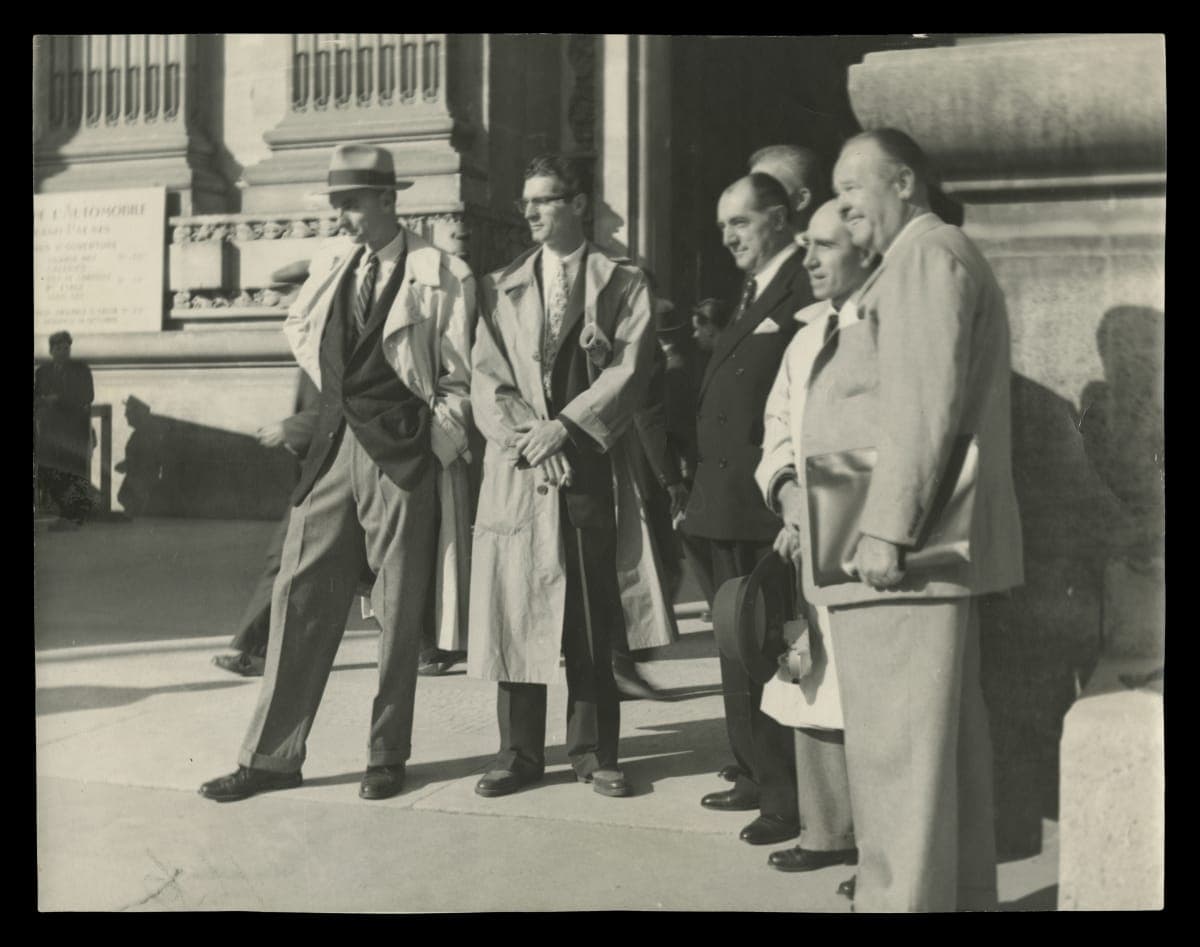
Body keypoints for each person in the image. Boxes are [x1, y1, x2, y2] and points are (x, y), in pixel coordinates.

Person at [787, 128, 1021, 911]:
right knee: (935, 754)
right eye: (838, 190)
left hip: (900, 550)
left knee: (896, 756)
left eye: (856, 186)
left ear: (906, 183)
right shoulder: (923, 257)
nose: (846, 203)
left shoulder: (923, 258)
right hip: (916, 543)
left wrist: (888, 528)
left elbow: (923, 405)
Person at [199, 143, 475, 803]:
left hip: (400, 459)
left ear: (388, 200)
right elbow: (311, 343)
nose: (343, 216)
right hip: (329, 454)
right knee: (297, 596)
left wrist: (428, 446)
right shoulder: (332, 264)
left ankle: (387, 755)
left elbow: (463, 377)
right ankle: (271, 757)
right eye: (338, 204)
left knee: (398, 613)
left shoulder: (443, 273)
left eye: (352, 203)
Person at [468, 153, 673, 799]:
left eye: (544, 199)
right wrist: (532, 439)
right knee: (517, 608)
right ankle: (517, 753)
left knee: (591, 612)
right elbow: (487, 379)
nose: (530, 211)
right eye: (526, 201)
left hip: (590, 466)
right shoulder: (499, 286)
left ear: (578, 204)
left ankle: (594, 751)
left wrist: (567, 427)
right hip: (524, 468)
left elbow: (632, 370)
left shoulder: (624, 282)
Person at [679, 171, 816, 846]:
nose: (729, 237)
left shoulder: (803, 285)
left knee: (776, 651)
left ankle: (787, 796)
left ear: (781, 218)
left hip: (765, 509)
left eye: (741, 222)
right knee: (738, 648)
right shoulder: (754, 290)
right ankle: (755, 772)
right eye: (722, 226)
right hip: (723, 505)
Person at [755, 199, 880, 875]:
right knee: (811, 673)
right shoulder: (804, 338)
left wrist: (821, 516)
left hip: (865, 539)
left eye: (825, 247)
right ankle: (827, 830)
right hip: (807, 532)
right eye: (806, 247)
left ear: (866, 250)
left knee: (869, 693)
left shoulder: (886, 326)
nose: (808, 260)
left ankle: (882, 851)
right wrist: (790, 498)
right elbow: (778, 426)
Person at [211, 372, 322, 678]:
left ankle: (426, 644)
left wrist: (291, 429)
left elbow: (345, 401)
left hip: (335, 474)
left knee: (287, 556)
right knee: (284, 557)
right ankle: (257, 651)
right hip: (322, 471)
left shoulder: (330, 342)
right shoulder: (312, 348)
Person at [35, 331, 95, 529]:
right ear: (51, 351)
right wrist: (43, 401)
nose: (63, 351)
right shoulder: (42, 372)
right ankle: (64, 514)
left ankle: (74, 516)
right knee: (52, 472)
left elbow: (88, 396)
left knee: (74, 471)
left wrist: (60, 399)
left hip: (74, 430)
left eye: (66, 348)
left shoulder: (82, 370)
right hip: (50, 432)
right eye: (59, 348)